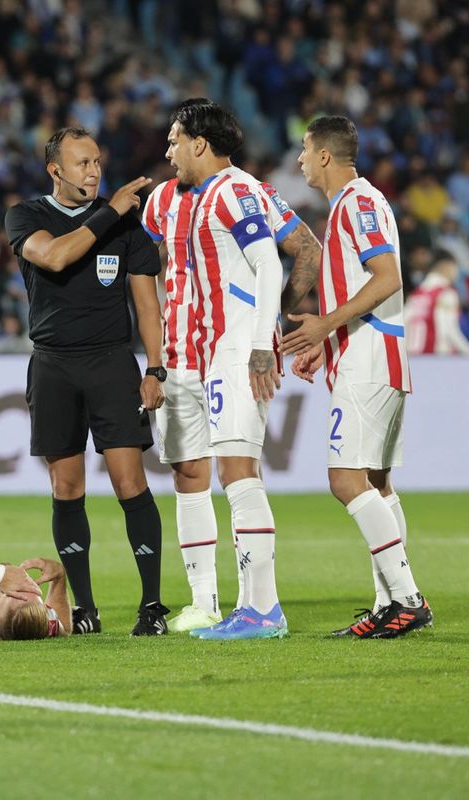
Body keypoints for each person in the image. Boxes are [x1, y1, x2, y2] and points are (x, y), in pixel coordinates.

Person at [143, 98, 323, 637]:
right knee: (189, 472)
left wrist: (265, 335)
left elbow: (277, 259)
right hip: (181, 356)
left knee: (239, 473)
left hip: (234, 352)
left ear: (200, 143)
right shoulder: (163, 201)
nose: (168, 150)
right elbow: (145, 269)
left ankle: (262, 608)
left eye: (175, 140)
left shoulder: (239, 190)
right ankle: (207, 603)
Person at [3, 126, 168, 636]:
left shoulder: (127, 226)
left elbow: (147, 304)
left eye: (96, 161)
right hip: (53, 365)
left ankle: (151, 607)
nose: (93, 171)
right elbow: (54, 257)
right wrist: (111, 211)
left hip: (111, 364)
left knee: (129, 482)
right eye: (81, 163)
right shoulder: (26, 216)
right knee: (66, 486)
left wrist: (155, 367)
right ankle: (84, 609)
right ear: (56, 170)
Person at [282, 115, 433, 639]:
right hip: (372, 354)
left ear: (325, 155)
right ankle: (390, 603)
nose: (300, 159)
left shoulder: (359, 202)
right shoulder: (352, 205)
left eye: (304, 149)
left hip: (370, 360)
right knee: (377, 483)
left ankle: (408, 598)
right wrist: (327, 340)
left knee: (345, 481)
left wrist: (326, 324)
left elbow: (388, 276)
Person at [405, 256, 469, 355]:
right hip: (435, 355)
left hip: (411, 355)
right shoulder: (446, 294)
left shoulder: (417, 294)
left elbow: (405, 320)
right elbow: (449, 330)